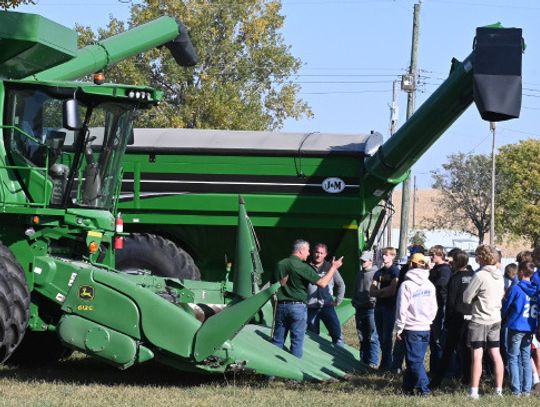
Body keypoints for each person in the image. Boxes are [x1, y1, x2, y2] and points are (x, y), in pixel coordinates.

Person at [271, 239, 343, 358]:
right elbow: (322, 283)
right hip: (297, 307)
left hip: (280, 306)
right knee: (297, 342)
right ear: (301, 250)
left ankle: (270, 374)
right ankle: (294, 373)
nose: (309, 254)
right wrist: (334, 267)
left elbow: (275, 285)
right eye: (308, 251)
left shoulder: (280, 264)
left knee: (277, 341)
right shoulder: (302, 266)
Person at [463, 244, 505, 399]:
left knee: (477, 355)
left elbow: (466, 297)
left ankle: (474, 391)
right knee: (496, 353)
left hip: (480, 319)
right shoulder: (499, 275)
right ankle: (498, 390)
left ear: (481, 258)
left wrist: (476, 298)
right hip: (496, 318)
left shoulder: (480, 276)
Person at [430, 249, 474, 388]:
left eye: (452, 261)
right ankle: (467, 379)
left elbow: (451, 302)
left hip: (457, 318)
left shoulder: (455, 278)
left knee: (448, 351)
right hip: (472, 317)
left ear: (457, 262)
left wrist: (447, 321)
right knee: (467, 351)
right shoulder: (474, 276)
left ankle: (436, 381)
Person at [394, 253, 437, 396]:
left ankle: (424, 389)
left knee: (414, 361)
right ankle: (407, 389)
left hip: (411, 328)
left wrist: (399, 328)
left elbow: (401, 308)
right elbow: (434, 308)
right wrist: (428, 321)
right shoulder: (430, 285)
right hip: (425, 327)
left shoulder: (406, 285)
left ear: (411, 265)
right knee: (414, 359)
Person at [502, 261, 538, 396]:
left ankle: (516, 390)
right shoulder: (536, 290)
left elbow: (506, 305)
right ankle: (526, 390)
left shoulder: (516, 288)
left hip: (516, 325)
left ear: (521, 272)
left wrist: (503, 316)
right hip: (529, 327)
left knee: (513, 357)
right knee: (526, 358)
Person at [306, 243, 345, 347]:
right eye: (317, 252)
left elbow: (341, 284)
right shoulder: (306, 267)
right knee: (312, 337)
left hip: (327, 306)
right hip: (311, 307)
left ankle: (340, 357)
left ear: (325, 254)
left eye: (321, 253)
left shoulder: (330, 267)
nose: (319, 255)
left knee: (337, 335)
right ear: (313, 253)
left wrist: (338, 300)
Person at [370, 246, 399, 371]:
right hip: (379, 307)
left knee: (387, 336)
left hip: (390, 307)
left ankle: (387, 364)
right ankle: (385, 362)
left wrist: (379, 292)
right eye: (383, 254)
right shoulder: (379, 272)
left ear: (392, 256)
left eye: (386, 255)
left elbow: (393, 290)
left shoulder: (395, 271)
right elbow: (371, 290)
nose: (384, 257)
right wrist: (382, 292)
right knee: (381, 336)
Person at [428, 245, 452, 374]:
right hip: (433, 305)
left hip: (440, 305)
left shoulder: (444, 270)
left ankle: (441, 369)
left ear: (440, 255)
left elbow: (441, 284)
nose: (431, 257)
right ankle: (434, 368)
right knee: (433, 340)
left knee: (438, 339)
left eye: (433, 255)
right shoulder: (435, 268)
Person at [352, 250, 379, 367]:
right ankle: (363, 361)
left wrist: (373, 301)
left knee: (372, 336)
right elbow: (355, 289)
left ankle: (372, 362)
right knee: (362, 336)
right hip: (359, 309)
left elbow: (378, 290)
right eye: (361, 260)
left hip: (371, 309)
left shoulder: (376, 274)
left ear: (370, 261)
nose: (362, 262)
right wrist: (354, 301)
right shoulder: (359, 274)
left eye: (364, 260)